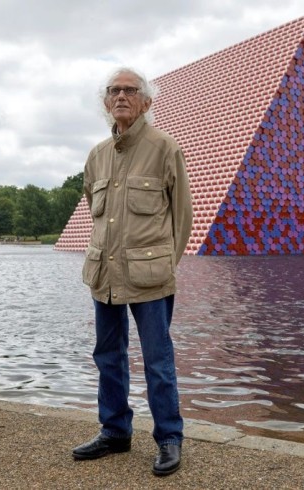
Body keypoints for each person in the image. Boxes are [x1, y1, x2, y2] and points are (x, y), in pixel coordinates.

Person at [72, 67, 193, 477]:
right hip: (104, 275)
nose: (121, 95)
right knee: (107, 356)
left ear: (146, 101)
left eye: (130, 90)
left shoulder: (164, 148)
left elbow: (182, 220)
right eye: (114, 90)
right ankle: (115, 432)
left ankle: (169, 439)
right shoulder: (96, 156)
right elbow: (96, 213)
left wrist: (161, 265)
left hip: (150, 279)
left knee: (158, 361)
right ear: (107, 103)